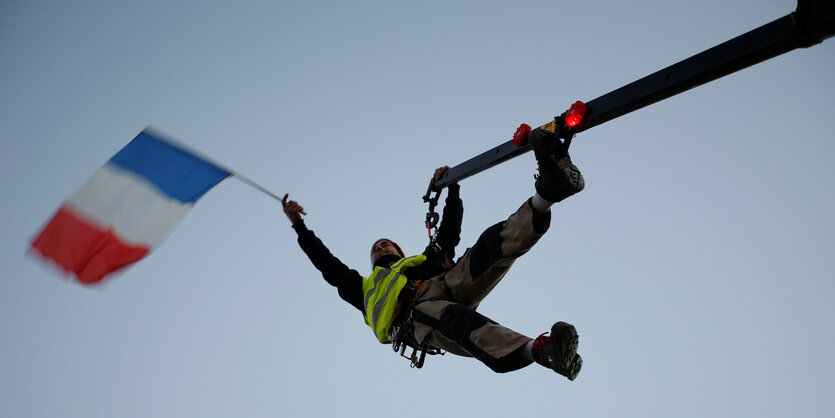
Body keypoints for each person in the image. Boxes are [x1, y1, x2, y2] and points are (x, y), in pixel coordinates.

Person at [282, 128, 584, 378]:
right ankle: (542, 352)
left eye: (386, 244)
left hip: (445, 282)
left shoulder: (424, 260)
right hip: (414, 316)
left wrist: (453, 189)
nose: (380, 248)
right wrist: (300, 226)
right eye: (375, 249)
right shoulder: (363, 289)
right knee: (454, 320)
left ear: (399, 251)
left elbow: (449, 233)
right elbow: (327, 265)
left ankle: (547, 193)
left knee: (490, 247)